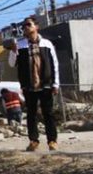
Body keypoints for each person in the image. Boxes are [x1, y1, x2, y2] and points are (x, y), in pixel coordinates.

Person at [7, 16, 60, 152]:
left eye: (28, 25)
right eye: (24, 26)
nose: (26, 27)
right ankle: (33, 140)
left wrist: (56, 83)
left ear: (36, 27)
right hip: (29, 86)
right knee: (31, 114)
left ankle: (52, 141)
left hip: (46, 84)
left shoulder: (47, 44)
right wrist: (13, 51)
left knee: (48, 113)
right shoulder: (20, 45)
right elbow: (12, 64)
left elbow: (54, 64)